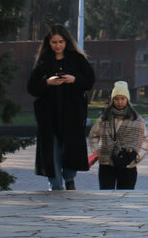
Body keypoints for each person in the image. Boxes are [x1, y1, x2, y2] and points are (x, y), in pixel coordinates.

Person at [26, 25, 96, 191]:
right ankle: (55, 186)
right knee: (52, 152)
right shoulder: (43, 61)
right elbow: (32, 87)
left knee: (71, 149)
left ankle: (69, 177)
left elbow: (89, 81)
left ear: (66, 42)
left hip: (72, 114)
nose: (57, 45)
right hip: (49, 116)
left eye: (60, 42)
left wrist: (74, 80)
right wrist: (47, 82)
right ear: (48, 43)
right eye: (54, 42)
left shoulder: (76, 59)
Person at [87, 80, 148, 190]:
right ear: (112, 100)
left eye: (122, 98)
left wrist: (136, 158)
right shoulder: (104, 119)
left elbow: (145, 140)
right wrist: (99, 152)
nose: (119, 102)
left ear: (127, 99)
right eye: (116, 99)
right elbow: (93, 135)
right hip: (107, 164)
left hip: (128, 164)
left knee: (126, 197)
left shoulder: (137, 120)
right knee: (106, 197)